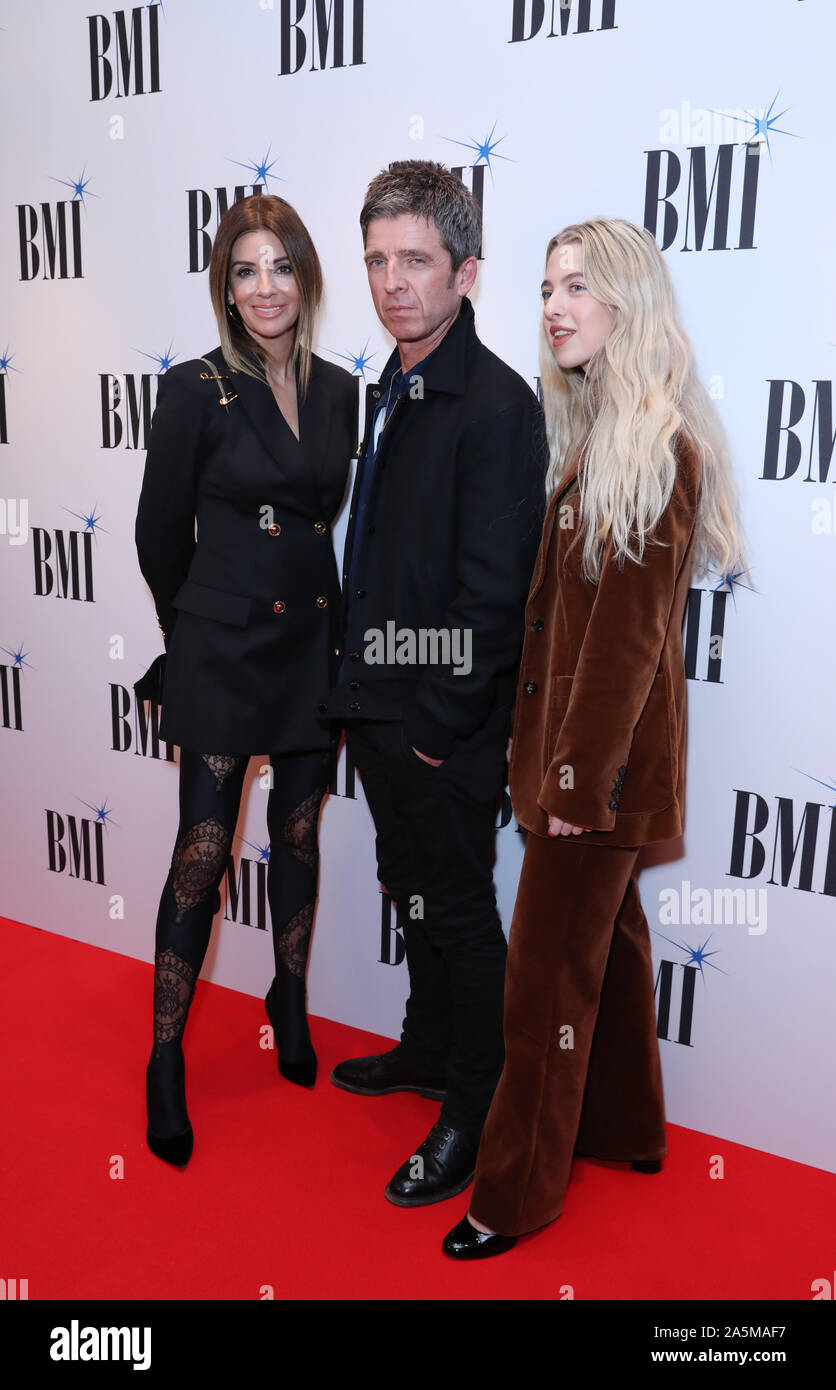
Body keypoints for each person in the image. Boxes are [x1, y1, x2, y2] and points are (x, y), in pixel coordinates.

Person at [442, 217, 746, 1257]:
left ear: (628, 301)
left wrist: (573, 786)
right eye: (544, 289)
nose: (553, 307)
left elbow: (623, 647)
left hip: (594, 775)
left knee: (541, 987)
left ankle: (512, 1193)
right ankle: (625, 1128)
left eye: (575, 286)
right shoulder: (600, 437)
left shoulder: (657, 450)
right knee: (604, 947)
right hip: (583, 765)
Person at [318, 160, 547, 1206]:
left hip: (439, 724)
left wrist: (436, 725)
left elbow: (492, 597)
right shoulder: (393, 383)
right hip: (377, 707)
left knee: (456, 909)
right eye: (377, 260)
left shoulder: (496, 406)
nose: (391, 282)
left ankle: (474, 1104)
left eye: (414, 259)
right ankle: (425, 1042)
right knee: (406, 885)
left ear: (466, 271)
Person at [135, 194, 358, 1167]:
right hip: (222, 651)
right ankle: (165, 1052)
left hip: (311, 643)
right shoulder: (195, 388)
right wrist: (189, 635)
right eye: (244, 270)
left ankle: (288, 996)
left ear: (305, 276)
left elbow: (323, 522)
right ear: (225, 288)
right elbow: (158, 533)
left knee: (300, 832)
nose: (265, 287)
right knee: (203, 849)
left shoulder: (341, 390)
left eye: (280, 266)